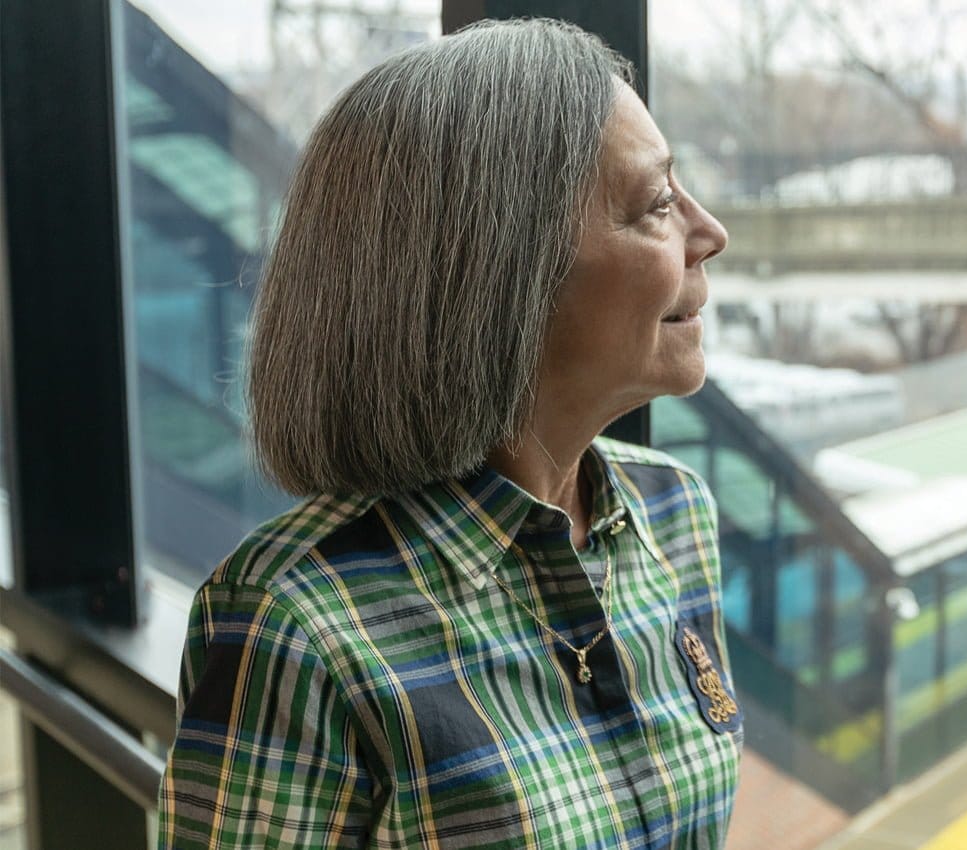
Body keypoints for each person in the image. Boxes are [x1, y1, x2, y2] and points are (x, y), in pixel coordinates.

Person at [156, 17, 737, 849]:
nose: (709, 232)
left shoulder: (675, 515)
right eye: (656, 204)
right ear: (502, 275)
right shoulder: (296, 621)